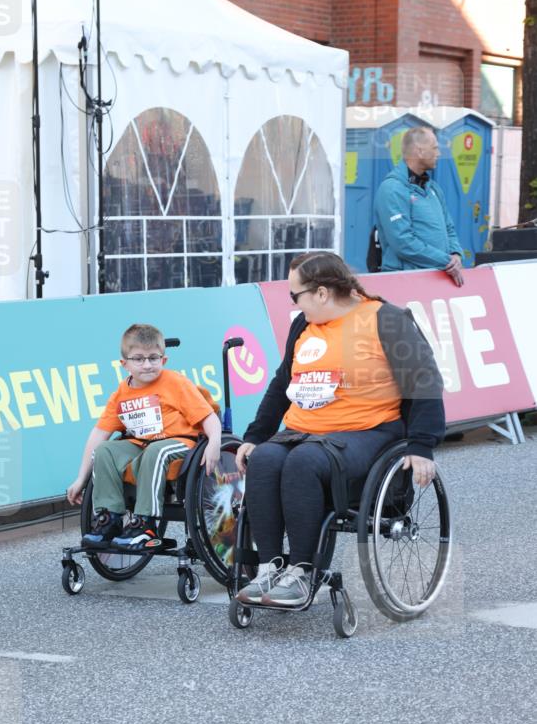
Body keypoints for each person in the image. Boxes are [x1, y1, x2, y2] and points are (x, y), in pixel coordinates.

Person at [234, 252, 445, 604]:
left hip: (368, 430)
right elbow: (282, 383)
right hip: (305, 430)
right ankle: (269, 567)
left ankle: (302, 572)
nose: (293, 304)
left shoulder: (386, 320)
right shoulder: (303, 325)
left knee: (304, 462)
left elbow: (424, 380)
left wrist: (422, 445)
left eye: (295, 295)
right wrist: (256, 436)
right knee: (267, 459)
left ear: (321, 293)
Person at [66, 323, 221, 548]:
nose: (147, 365)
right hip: (141, 444)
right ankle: (110, 518)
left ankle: (146, 524)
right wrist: (80, 478)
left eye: (153, 358)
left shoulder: (175, 382)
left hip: (179, 443)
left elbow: (208, 417)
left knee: (155, 452)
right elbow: (99, 433)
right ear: (124, 364)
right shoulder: (122, 392)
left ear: (163, 360)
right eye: (138, 359)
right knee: (104, 451)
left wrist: (214, 442)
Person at [374, 126, 464, 287]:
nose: (439, 154)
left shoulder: (434, 188)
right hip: (405, 283)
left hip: (437, 277)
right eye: (435, 148)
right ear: (419, 151)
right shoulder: (392, 189)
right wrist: (446, 261)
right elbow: (402, 242)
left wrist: (456, 254)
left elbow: (449, 228)